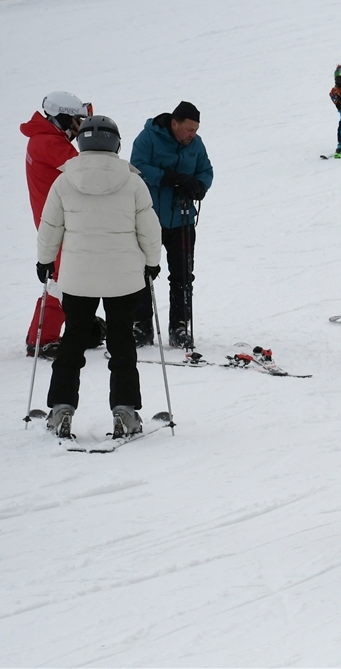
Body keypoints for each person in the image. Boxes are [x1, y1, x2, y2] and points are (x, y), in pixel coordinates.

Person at [36, 115, 162, 440]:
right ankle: (126, 412)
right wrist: (151, 263)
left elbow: (50, 226)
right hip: (124, 279)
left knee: (72, 343)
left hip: (78, 279)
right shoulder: (133, 181)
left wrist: (45, 261)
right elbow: (149, 227)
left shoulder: (64, 180)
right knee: (122, 346)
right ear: (116, 144)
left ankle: (61, 409)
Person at [20, 91, 99, 358]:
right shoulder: (52, 145)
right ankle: (43, 338)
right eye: (77, 121)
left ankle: (63, 329)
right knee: (63, 280)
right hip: (59, 224)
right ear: (64, 117)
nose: (80, 128)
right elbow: (86, 172)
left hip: (55, 221)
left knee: (66, 277)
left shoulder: (42, 139)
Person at [130, 101, 214, 349]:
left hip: (183, 218)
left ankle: (179, 327)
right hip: (149, 219)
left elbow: (206, 171)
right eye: (189, 129)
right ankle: (141, 326)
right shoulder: (148, 138)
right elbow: (137, 168)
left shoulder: (195, 145)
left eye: (196, 130)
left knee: (183, 276)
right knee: (143, 273)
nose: (192, 134)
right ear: (174, 123)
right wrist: (169, 178)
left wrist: (199, 185)